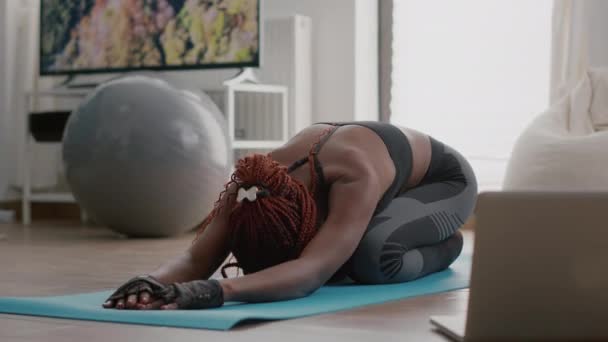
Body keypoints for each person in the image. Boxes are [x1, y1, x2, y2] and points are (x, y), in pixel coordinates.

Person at [102, 121, 477, 310]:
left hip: (442, 183)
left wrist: (215, 290)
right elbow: (195, 258)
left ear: (304, 220)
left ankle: (447, 243)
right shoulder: (250, 184)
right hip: (386, 184)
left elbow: (311, 273)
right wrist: (148, 282)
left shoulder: (352, 175)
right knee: (344, 251)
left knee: (372, 258)